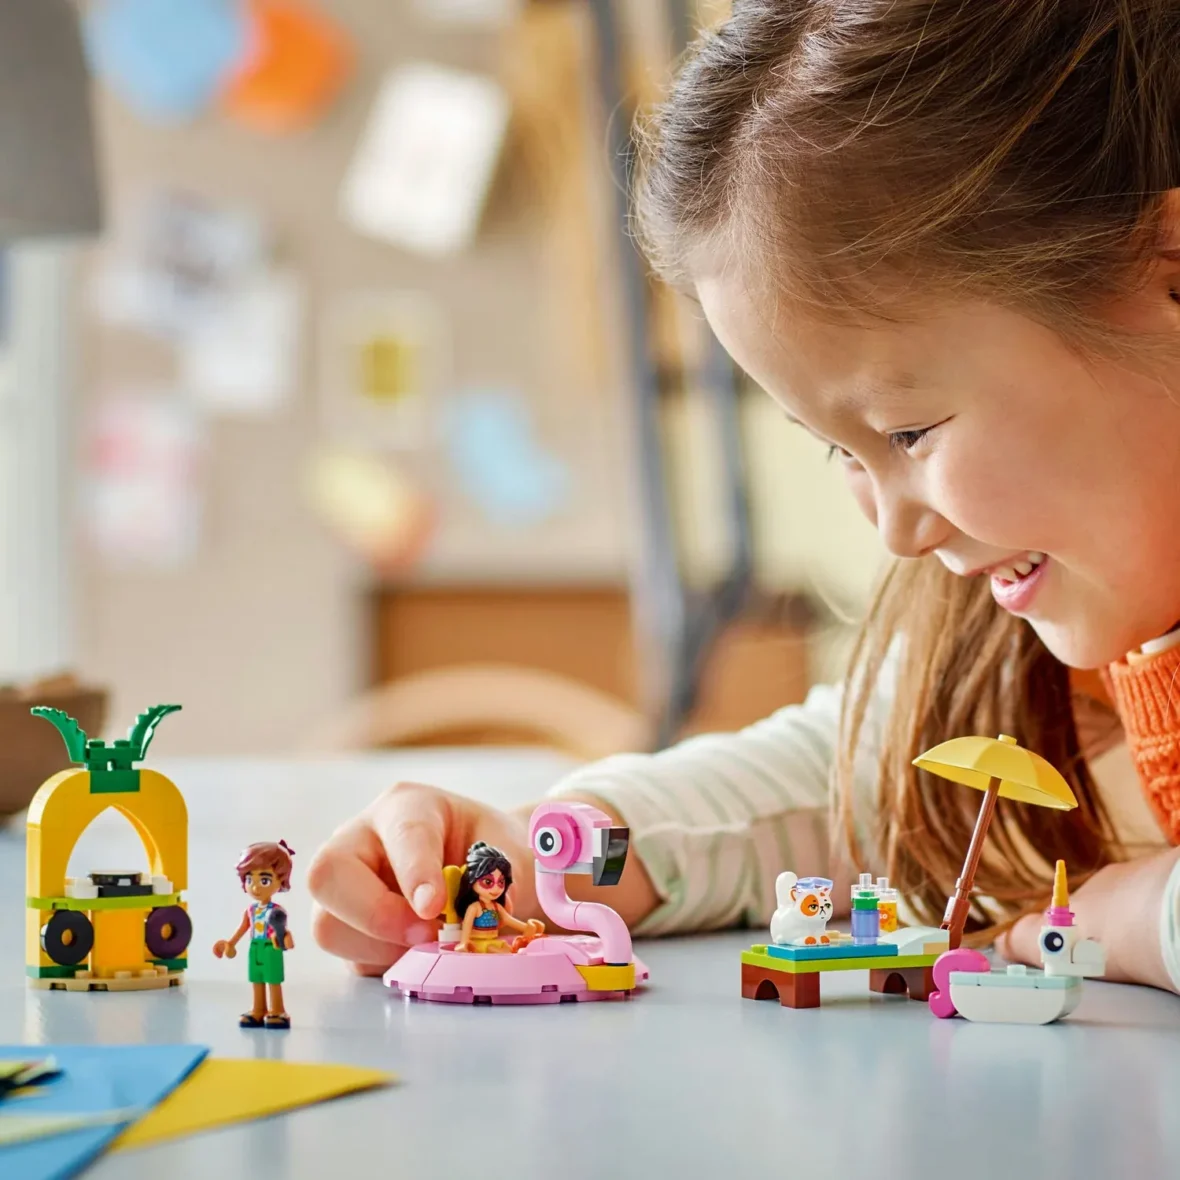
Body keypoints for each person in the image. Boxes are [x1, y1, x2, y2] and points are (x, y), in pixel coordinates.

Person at [305, 1, 1180, 995]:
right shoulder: (1045, 625)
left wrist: (1144, 917)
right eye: (837, 452)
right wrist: (549, 854)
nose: (895, 530)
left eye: (908, 432)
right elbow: (848, 783)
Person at [214, 840, 297, 1028]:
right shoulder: (251, 911)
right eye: (250, 880)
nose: (255, 887)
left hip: (271, 948)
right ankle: (258, 1009)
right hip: (255, 948)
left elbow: (282, 929)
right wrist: (231, 943)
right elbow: (242, 928)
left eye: (265, 880)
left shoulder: (276, 910)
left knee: (273, 980)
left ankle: (278, 1010)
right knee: (257, 980)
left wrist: (286, 939)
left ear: (280, 881)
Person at [452, 841, 545, 953]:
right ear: (471, 880)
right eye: (488, 882)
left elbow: (508, 919)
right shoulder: (474, 907)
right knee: (502, 954)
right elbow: (467, 926)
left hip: (494, 941)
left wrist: (527, 927)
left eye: (501, 882)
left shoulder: (496, 907)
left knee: (512, 951)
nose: (496, 889)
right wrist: (463, 943)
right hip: (479, 944)